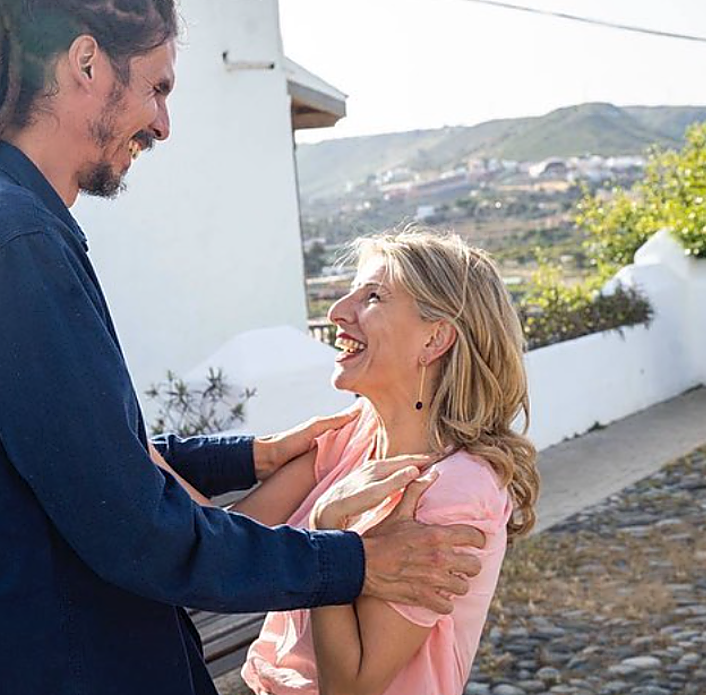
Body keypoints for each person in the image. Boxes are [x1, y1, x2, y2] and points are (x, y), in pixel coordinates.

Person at [0, 0, 486, 695]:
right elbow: (137, 533)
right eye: (157, 87)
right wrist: (353, 562)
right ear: (87, 63)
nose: (163, 122)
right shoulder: (14, 246)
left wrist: (249, 456)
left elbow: (76, 454)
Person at [155, 229, 541, 695]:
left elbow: (351, 686)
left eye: (374, 296)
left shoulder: (457, 489)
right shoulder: (351, 435)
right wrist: (122, 434)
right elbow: (215, 538)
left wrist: (328, 532)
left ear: (434, 339)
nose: (338, 312)